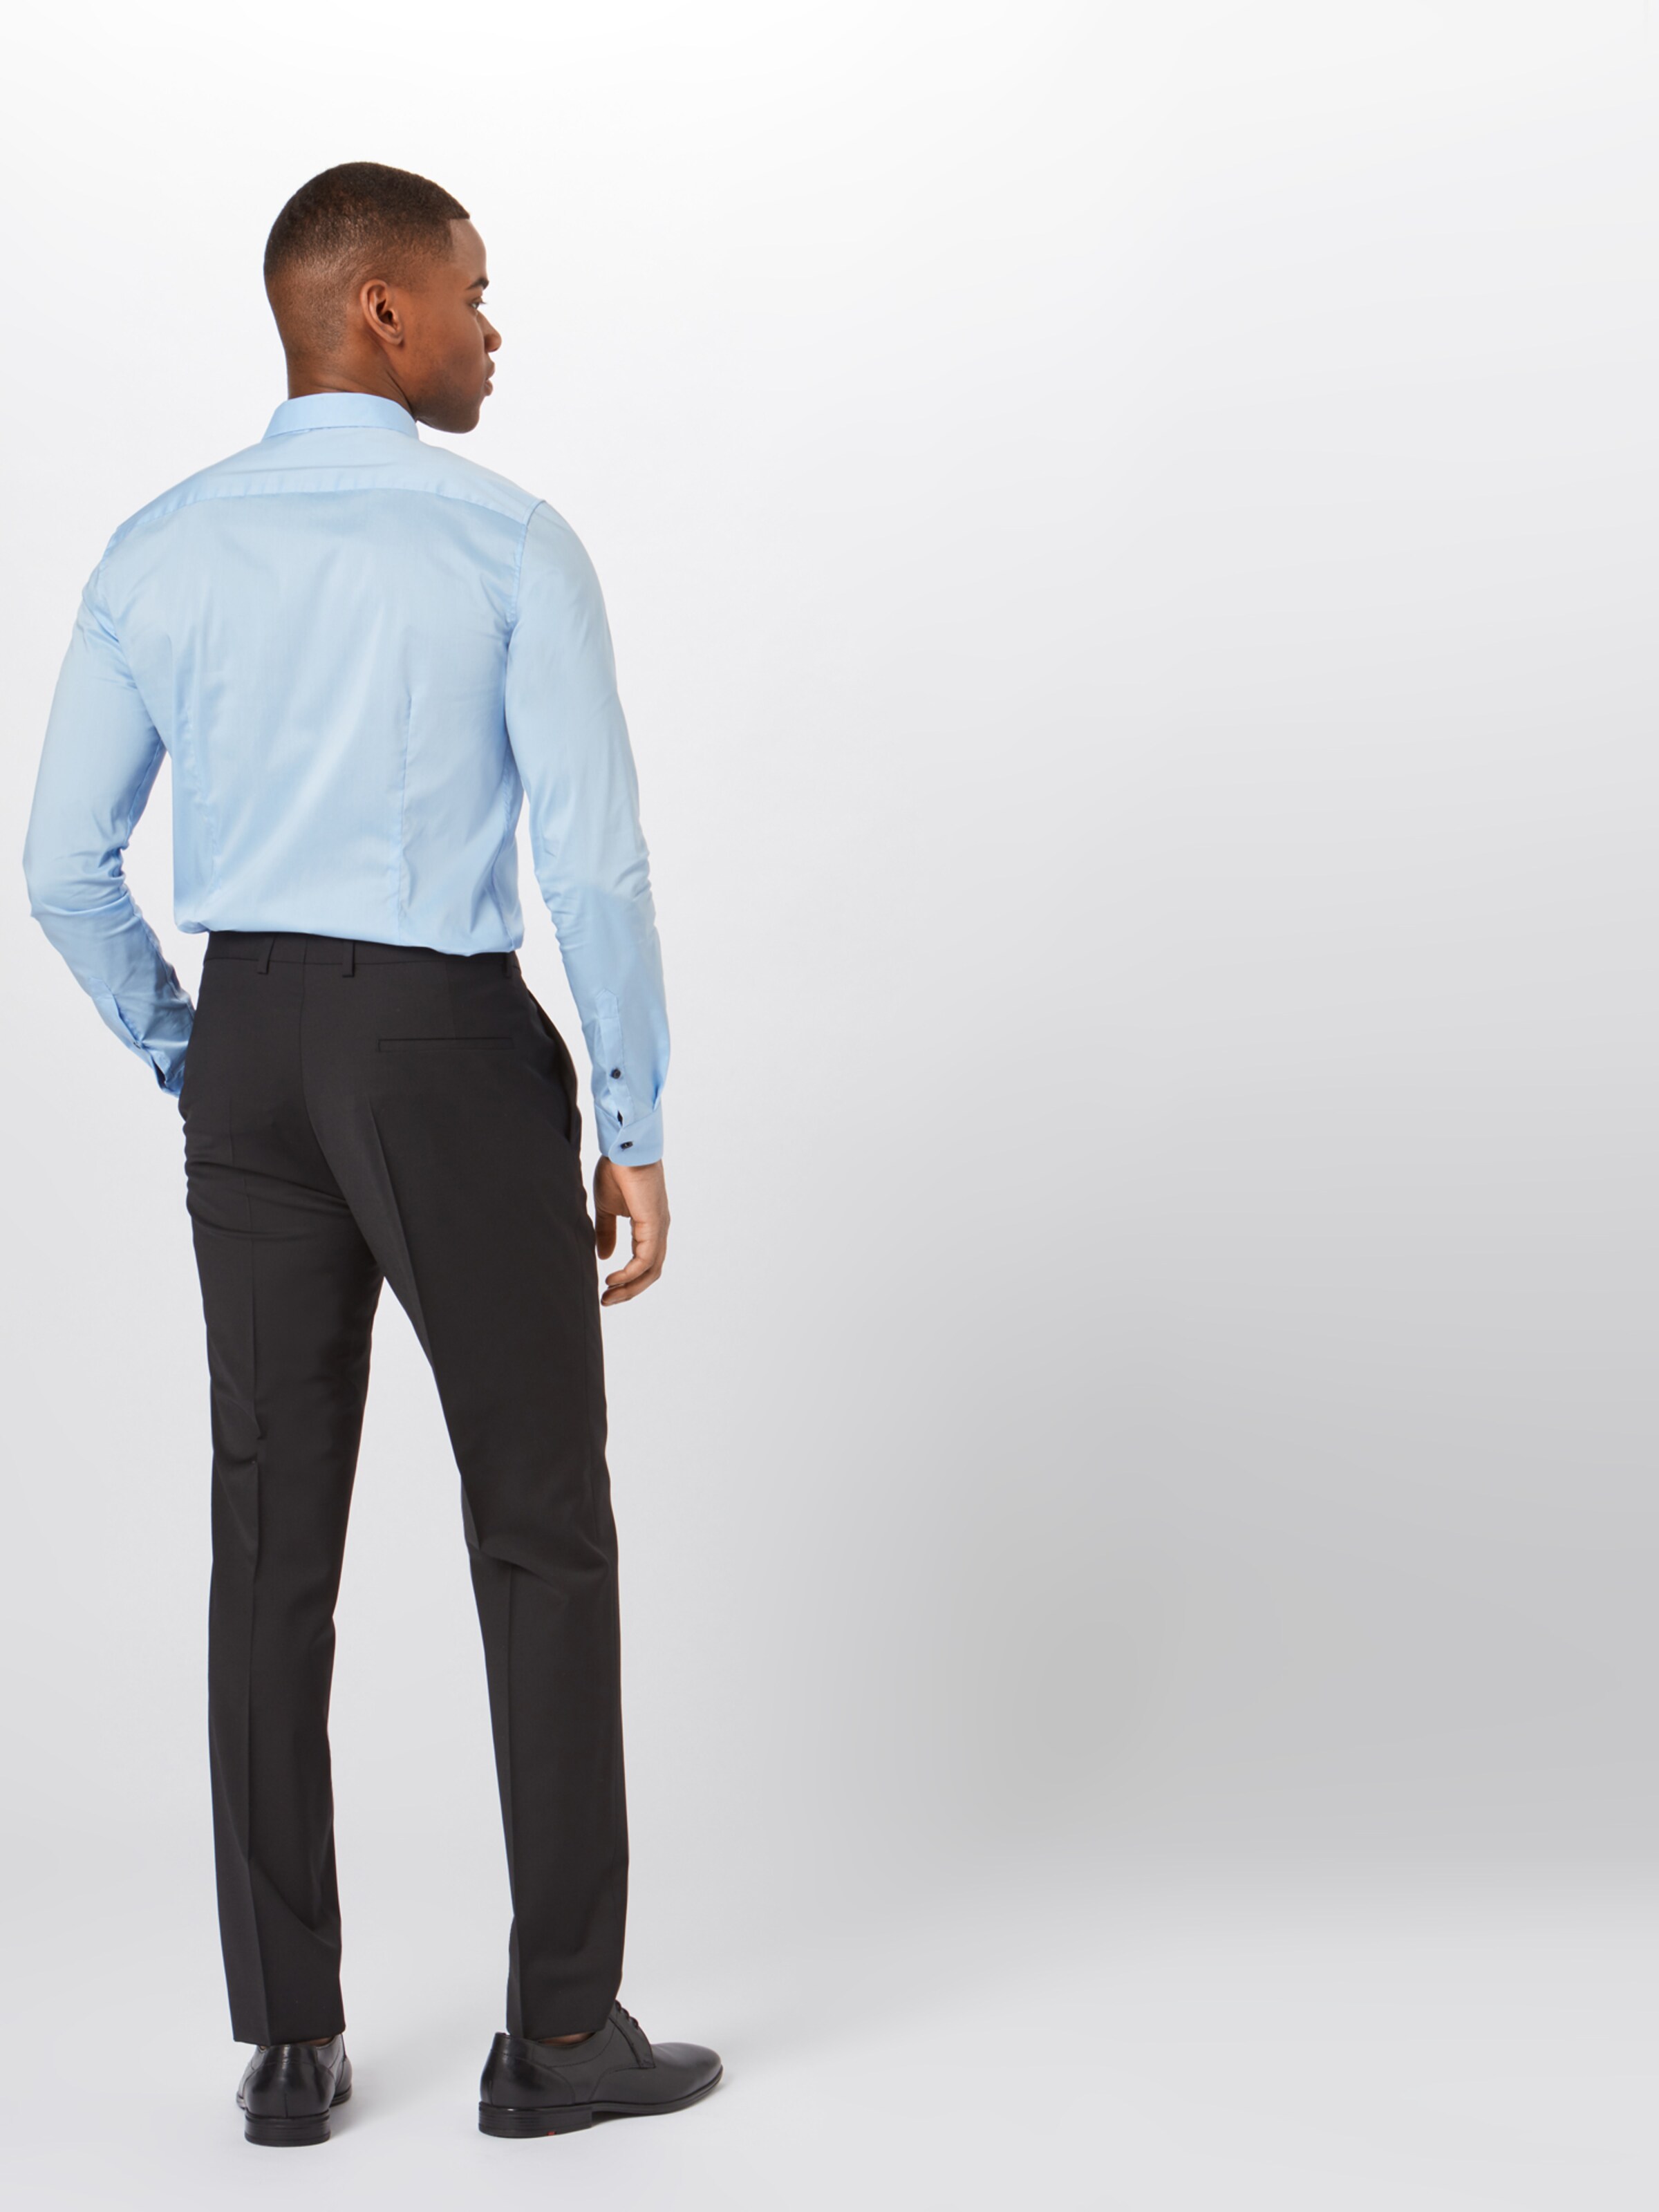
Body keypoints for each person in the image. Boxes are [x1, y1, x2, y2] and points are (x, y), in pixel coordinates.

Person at [20, 160, 720, 2148]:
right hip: (439, 1049)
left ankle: (288, 2044)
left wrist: (200, 1055)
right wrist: (637, 1120)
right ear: (383, 313)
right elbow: (594, 863)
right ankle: (561, 2035)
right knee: (539, 1522)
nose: (498, 330)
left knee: (269, 1537)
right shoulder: (506, 542)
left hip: (249, 1041)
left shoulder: (160, 549)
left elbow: (61, 866)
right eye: (477, 294)